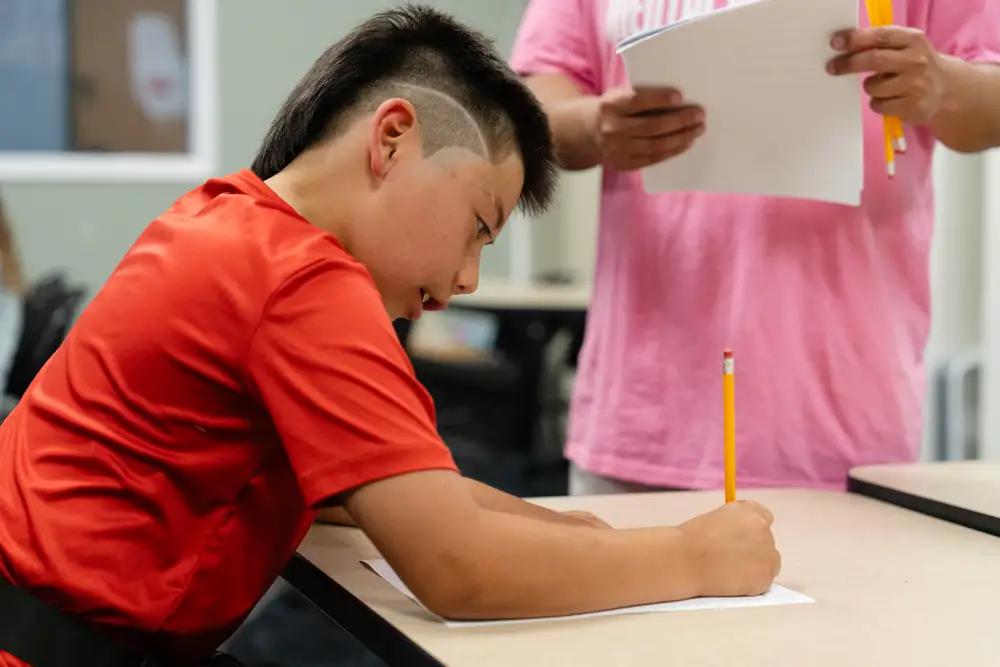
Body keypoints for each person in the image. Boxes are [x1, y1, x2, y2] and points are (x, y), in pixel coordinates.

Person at [0, 7, 780, 667]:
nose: (469, 278)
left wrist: (556, 528)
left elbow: (373, 495)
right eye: (479, 225)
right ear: (394, 138)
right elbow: (457, 566)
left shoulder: (223, 217)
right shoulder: (303, 279)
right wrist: (695, 557)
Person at [510, 0, 1000, 495]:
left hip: (842, 427)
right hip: (640, 420)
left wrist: (943, 85)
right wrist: (594, 124)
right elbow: (531, 109)